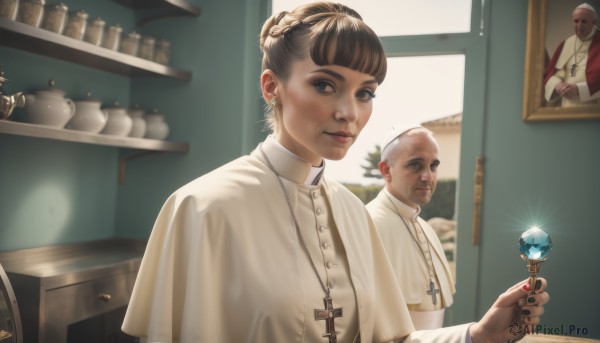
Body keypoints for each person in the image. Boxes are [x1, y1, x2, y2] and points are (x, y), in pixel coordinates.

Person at [121, 3, 549, 342]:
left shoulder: (353, 212)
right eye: (325, 85)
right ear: (272, 87)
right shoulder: (202, 208)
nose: (349, 113)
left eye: (365, 93)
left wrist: (478, 336)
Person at [366, 125, 455, 330]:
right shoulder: (367, 224)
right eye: (416, 165)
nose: (428, 176)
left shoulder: (427, 229)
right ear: (386, 170)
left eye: (433, 166)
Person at [544, 3, 600, 107]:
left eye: (584, 21)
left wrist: (579, 90)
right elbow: (553, 73)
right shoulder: (566, 44)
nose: (579, 26)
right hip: (566, 107)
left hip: (593, 108)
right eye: (576, 21)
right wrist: (558, 86)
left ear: (593, 22)